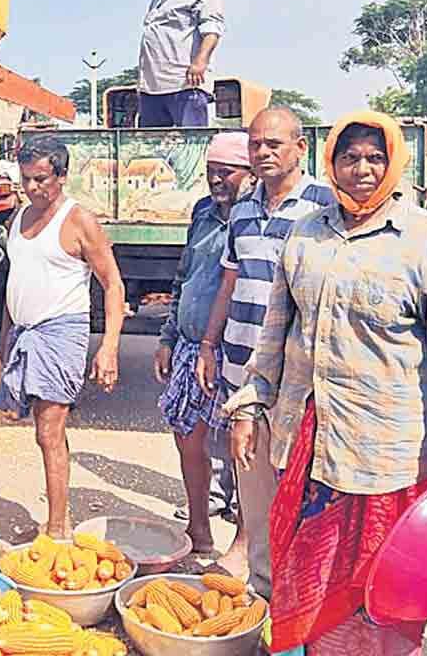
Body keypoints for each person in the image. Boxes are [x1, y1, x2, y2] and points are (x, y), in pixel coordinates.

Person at [223, 111, 427, 655]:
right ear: (331, 162)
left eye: (375, 157)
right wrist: (250, 403)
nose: (362, 169)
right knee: (304, 576)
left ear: (395, 162)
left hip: (387, 457)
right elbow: (276, 331)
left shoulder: (426, 239)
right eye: (349, 157)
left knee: (382, 589)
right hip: (311, 448)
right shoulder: (307, 233)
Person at [194, 107, 335, 597]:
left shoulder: (325, 208)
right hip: (242, 377)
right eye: (256, 144)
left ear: (300, 148)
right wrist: (209, 344)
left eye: (274, 144)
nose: (263, 153)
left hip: (299, 382)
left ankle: (303, 601)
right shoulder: (244, 208)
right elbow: (228, 282)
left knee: (300, 496)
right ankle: (263, 597)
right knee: (254, 497)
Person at [0, 137, 125, 539]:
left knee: (49, 429)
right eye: (26, 179)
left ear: (62, 177)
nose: (33, 188)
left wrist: (109, 346)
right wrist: (5, 336)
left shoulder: (78, 220)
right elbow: (14, 280)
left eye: (41, 179)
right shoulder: (18, 217)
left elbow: (112, 283)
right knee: (43, 429)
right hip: (25, 332)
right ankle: (60, 520)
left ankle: (56, 529)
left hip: (61, 331)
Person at [154, 131, 253, 559]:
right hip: (193, 345)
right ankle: (199, 531)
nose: (216, 181)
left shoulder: (255, 217)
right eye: (211, 172)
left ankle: (245, 542)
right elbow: (185, 275)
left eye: (226, 172)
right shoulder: (202, 213)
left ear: (248, 174)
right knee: (186, 436)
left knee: (244, 449)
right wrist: (168, 337)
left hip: (236, 350)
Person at [137, 0, 225, 127]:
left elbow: (212, 27)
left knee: (189, 148)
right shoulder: (157, 1)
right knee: (152, 152)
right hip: (152, 89)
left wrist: (200, 62)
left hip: (185, 84)